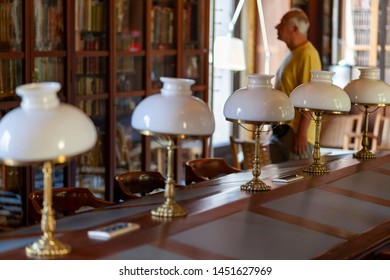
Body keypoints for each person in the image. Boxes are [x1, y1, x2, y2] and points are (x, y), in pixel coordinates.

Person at [269, 8, 322, 164]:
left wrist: (302, 135)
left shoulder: (308, 54)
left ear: (294, 29)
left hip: (296, 135)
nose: (276, 27)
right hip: (282, 131)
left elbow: (311, 96)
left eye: (282, 23)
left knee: (299, 184)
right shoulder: (293, 53)